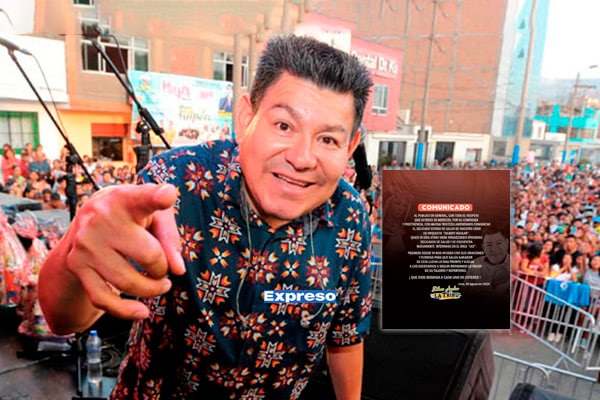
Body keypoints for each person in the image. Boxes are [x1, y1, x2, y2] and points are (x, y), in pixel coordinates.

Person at [38, 34, 373, 399]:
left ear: (350, 147)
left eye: (328, 140)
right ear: (246, 117)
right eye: (283, 126)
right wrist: (77, 245)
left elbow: (345, 337)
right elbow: (63, 320)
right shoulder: (174, 184)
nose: (303, 157)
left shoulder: (350, 216)